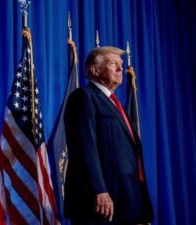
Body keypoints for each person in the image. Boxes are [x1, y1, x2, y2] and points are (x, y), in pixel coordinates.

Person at [63, 46, 154, 225]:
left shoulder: (115, 104)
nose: (121, 69)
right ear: (95, 70)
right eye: (113, 64)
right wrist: (99, 190)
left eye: (121, 64)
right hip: (101, 204)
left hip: (127, 201)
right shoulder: (83, 97)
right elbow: (85, 148)